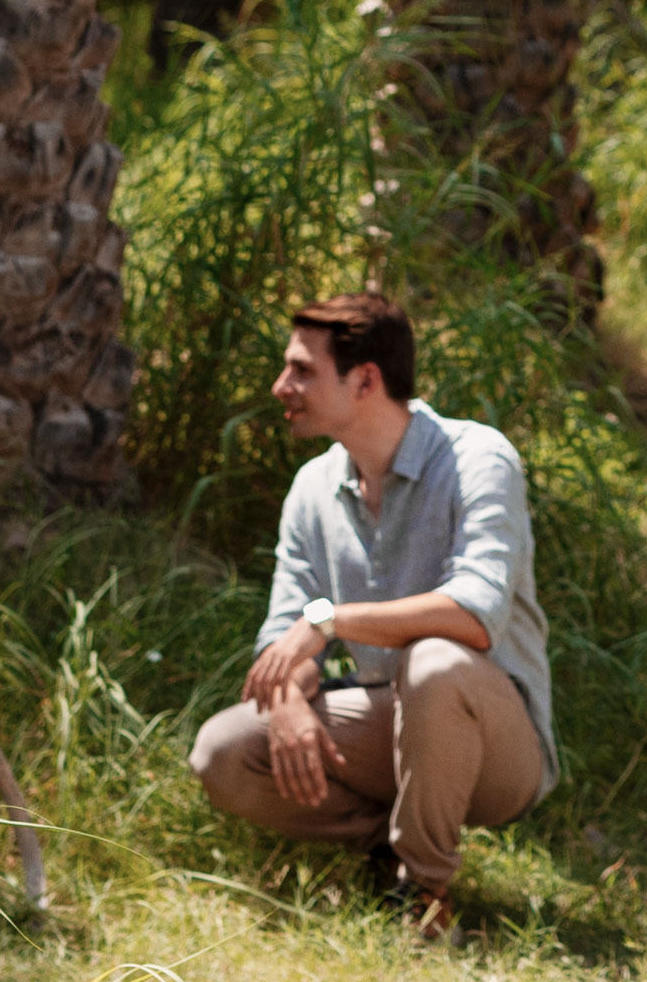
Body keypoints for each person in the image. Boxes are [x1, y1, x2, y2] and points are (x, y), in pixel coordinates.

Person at [188, 291, 553, 935]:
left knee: (435, 662)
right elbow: (283, 638)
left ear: (365, 381)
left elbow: (474, 614)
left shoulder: (477, 459)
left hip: (498, 743)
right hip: (392, 722)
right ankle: (388, 849)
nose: (282, 386)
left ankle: (424, 895)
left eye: (302, 370)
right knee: (225, 752)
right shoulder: (312, 489)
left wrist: (333, 619)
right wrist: (293, 704)